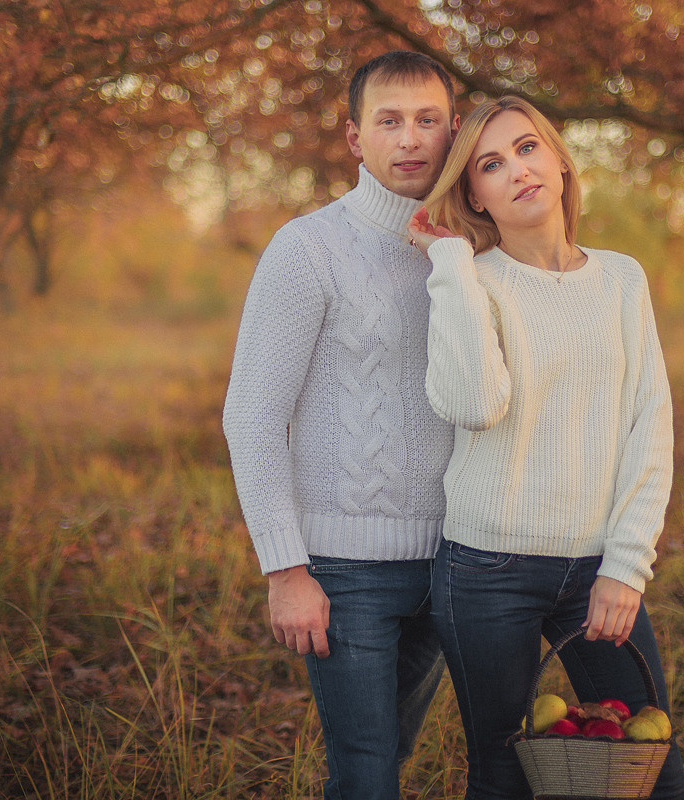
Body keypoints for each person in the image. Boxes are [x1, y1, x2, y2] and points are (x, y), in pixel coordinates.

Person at [407, 95, 684, 799]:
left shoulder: (622, 278)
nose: (518, 171)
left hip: (597, 564)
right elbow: (475, 406)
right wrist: (451, 262)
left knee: (655, 775)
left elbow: (649, 424)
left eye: (527, 148)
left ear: (559, 161)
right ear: (474, 193)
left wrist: (626, 568)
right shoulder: (469, 282)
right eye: (492, 164)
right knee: (504, 776)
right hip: (484, 570)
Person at [222, 51, 460, 800]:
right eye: (389, 121)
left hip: (456, 563)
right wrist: (286, 570)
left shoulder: (471, 249)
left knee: (391, 758)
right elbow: (252, 415)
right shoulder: (308, 250)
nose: (410, 139)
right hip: (346, 571)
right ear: (355, 137)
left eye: (427, 120)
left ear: (454, 131)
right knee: (363, 769)